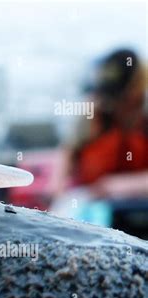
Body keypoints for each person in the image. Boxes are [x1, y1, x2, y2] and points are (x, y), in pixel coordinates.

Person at [51, 48, 148, 216]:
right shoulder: (94, 111)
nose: (112, 104)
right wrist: (57, 188)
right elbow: (68, 150)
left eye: (120, 97)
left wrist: (122, 185)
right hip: (93, 202)